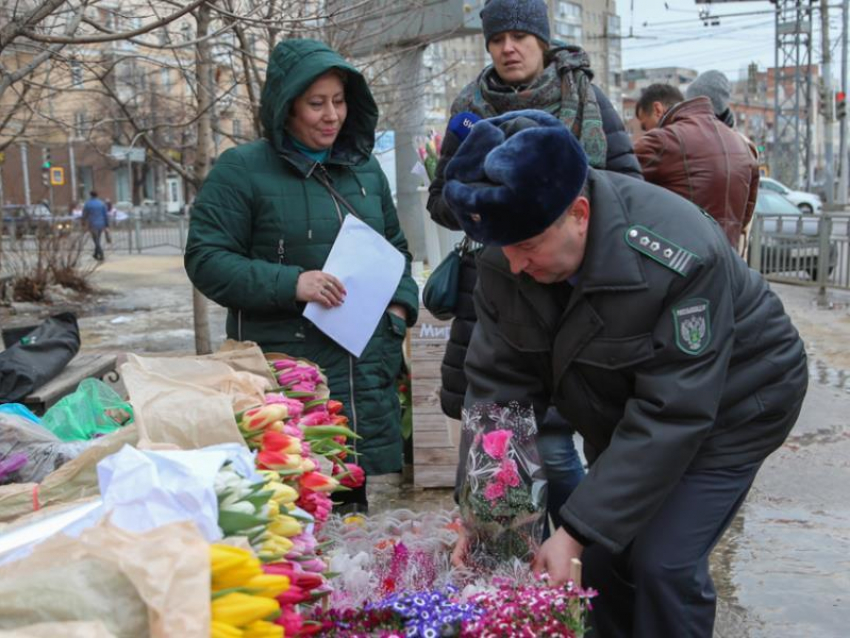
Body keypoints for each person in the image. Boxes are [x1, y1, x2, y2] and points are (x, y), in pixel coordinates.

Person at [445, 110, 808, 637]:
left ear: (580, 212)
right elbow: (500, 397)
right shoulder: (512, 252)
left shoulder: (677, 254)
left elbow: (673, 412)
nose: (516, 266)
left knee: (663, 564)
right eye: (505, 250)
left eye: (527, 248)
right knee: (604, 558)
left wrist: (573, 530)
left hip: (734, 405)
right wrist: (491, 527)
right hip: (624, 402)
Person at [427, 0, 643, 529]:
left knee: (561, 445)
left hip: (571, 286)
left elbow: (628, 188)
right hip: (493, 293)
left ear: (543, 41)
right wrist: (475, 206)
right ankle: (521, 574)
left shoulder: (586, 99)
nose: (508, 47)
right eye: (498, 38)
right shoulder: (468, 109)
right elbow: (439, 200)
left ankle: (580, 550)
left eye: (521, 36)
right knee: (503, 437)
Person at [184, 39, 419, 512]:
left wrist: (397, 311)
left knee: (352, 511)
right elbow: (206, 259)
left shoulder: (364, 171)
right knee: (291, 519)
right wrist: (293, 283)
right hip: (289, 384)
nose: (331, 115)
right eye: (316, 104)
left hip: (361, 374)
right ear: (286, 107)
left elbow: (395, 251)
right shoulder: (242, 171)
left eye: (338, 101)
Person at [634, 81, 760, 255]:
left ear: (658, 109)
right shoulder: (744, 146)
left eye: (644, 125)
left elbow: (616, 183)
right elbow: (745, 218)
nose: (645, 132)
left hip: (681, 266)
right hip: (728, 265)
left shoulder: (663, 141)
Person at [81, 190, 109, 261]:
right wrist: (106, 225)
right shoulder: (101, 204)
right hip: (101, 223)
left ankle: (101, 253)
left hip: (92, 223)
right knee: (98, 239)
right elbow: (105, 215)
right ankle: (96, 254)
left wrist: (83, 222)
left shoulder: (88, 204)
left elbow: (84, 214)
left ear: (90, 195)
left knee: (95, 240)